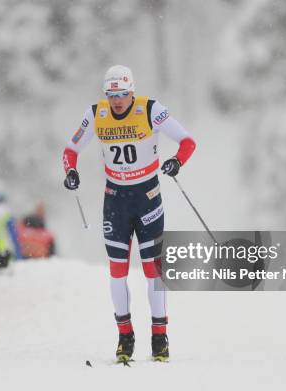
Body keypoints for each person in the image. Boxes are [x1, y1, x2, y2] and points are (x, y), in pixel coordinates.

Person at [61, 65, 196, 362]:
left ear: (132, 91)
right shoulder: (96, 114)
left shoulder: (150, 109)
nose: (117, 101)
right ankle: (125, 338)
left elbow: (188, 142)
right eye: (112, 95)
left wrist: (177, 162)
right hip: (116, 201)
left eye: (122, 94)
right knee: (117, 273)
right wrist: (70, 171)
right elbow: (70, 149)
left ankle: (160, 339)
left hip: (147, 198)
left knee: (153, 272)